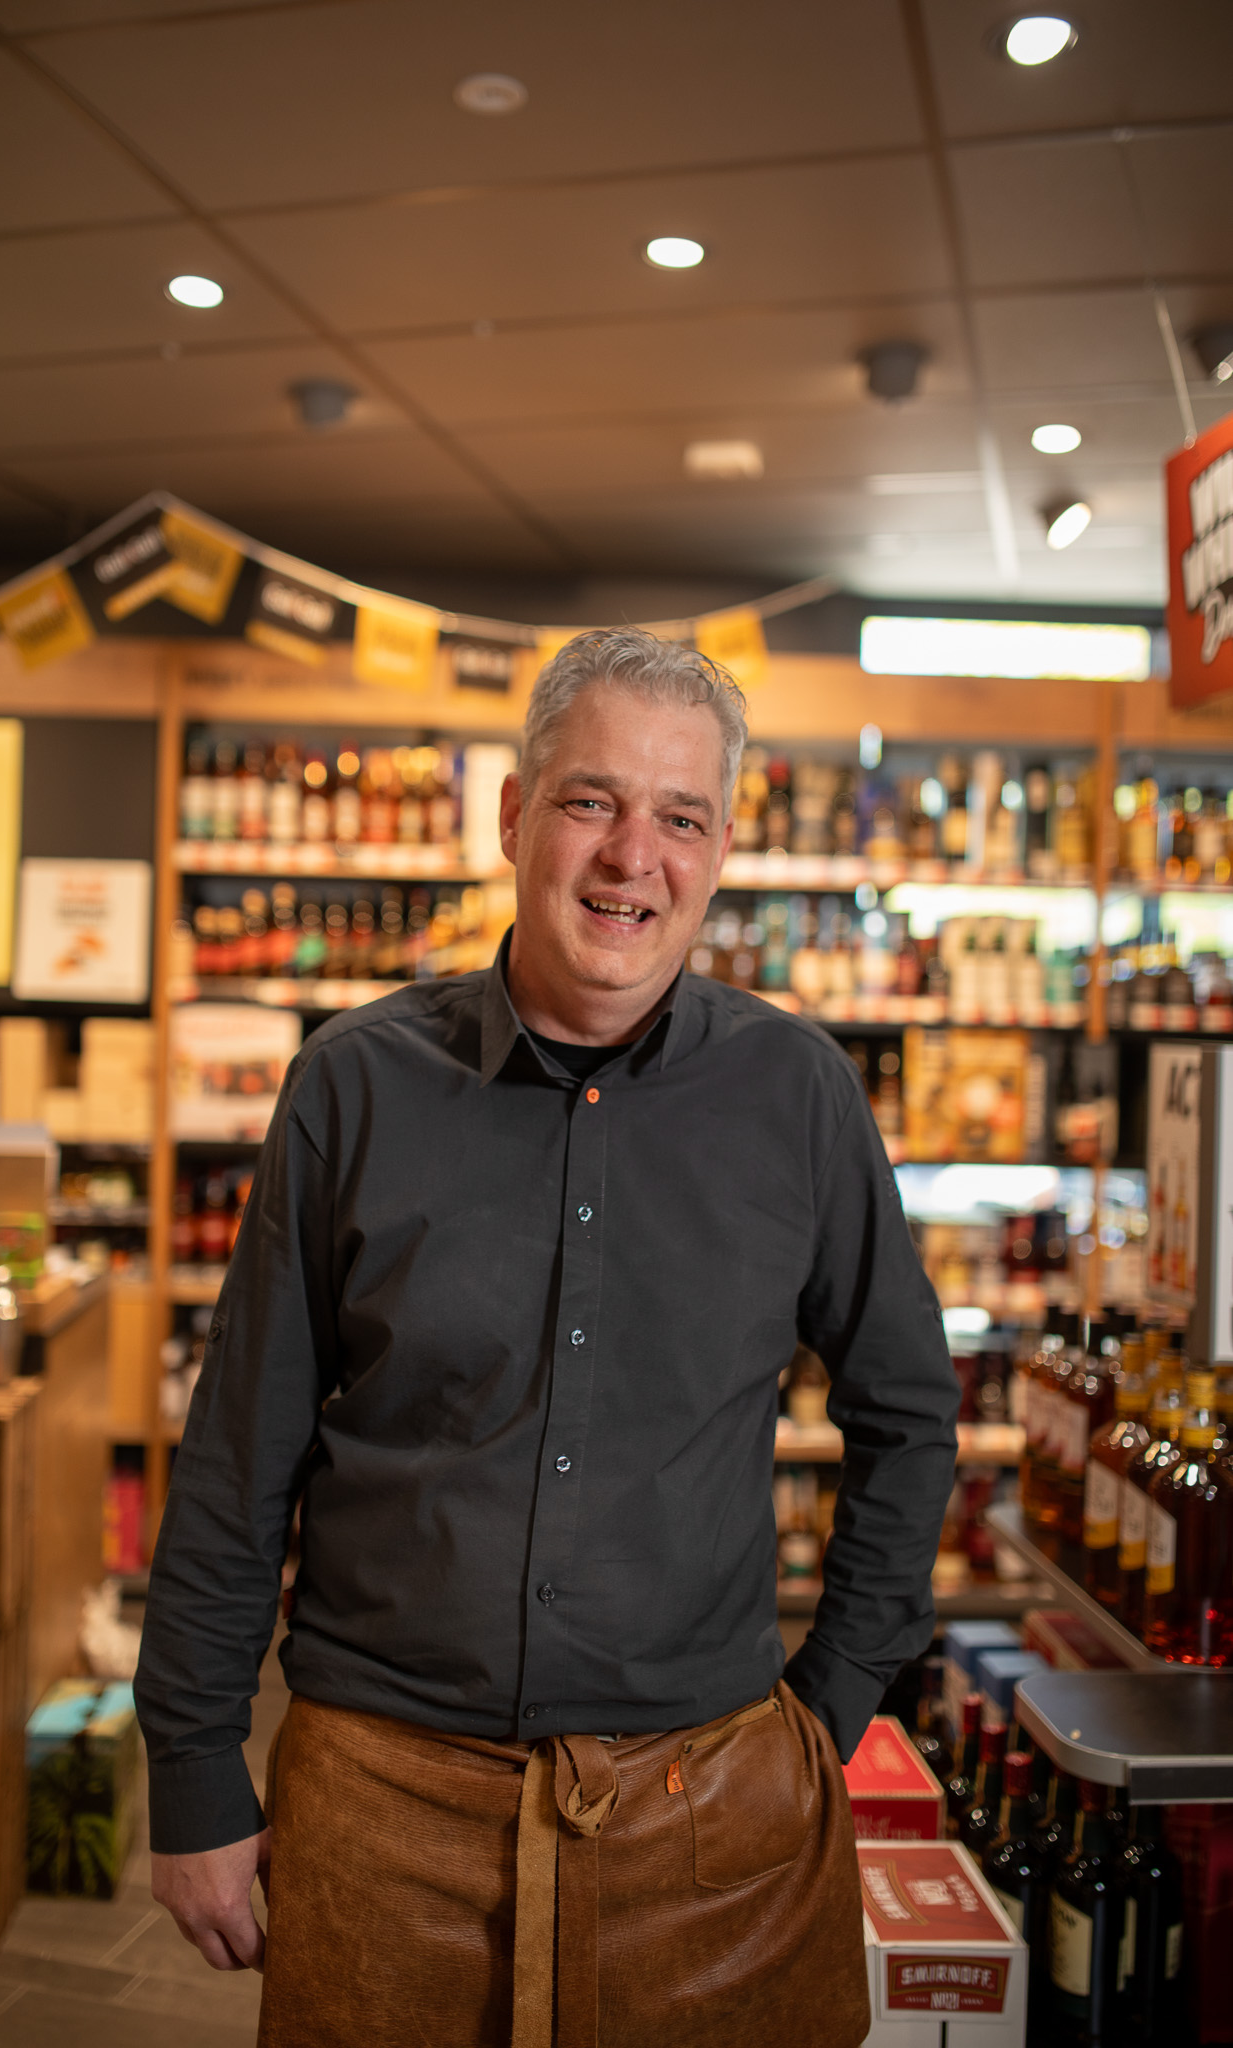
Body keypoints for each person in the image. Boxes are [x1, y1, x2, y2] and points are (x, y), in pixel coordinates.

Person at [136, 627, 960, 2048]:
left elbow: (907, 1411)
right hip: (377, 1805)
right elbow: (235, 1458)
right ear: (512, 816)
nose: (631, 855)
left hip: (708, 1826)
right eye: (590, 800)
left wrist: (825, 1707)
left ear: (717, 847)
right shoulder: (352, 1088)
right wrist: (196, 1765)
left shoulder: (798, 1098)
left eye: (679, 816)